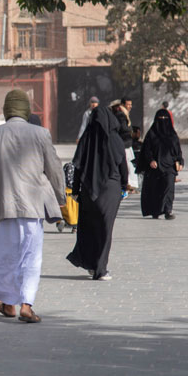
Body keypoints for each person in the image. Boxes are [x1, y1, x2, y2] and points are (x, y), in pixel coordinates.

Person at [0, 90, 65, 323]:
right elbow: (54, 168)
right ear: (26, 110)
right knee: (31, 257)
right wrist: (61, 199)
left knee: (3, 257)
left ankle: (8, 303)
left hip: (4, 208)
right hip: (33, 208)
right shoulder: (41, 133)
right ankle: (27, 304)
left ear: (6, 110)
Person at [67, 104, 130, 280]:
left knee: (90, 227)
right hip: (111, 189)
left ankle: (93, 265)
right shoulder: (115, 139)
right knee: (105, 229)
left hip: (88, 190)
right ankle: (101, 268)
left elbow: (78, 166)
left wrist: (76, 190)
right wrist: (124, 186)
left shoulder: (86, 138)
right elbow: (122, 165)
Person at [139, 109, 185, 220]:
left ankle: (167, 210)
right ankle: (156, 211)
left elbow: (178, 151)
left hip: (169, 166)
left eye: (165, 119)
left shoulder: (172, 135)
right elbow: (147, 149)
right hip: (155, 167)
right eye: (160, 119)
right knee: (156, 190)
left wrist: (180, 161)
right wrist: (150, 160)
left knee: (168, 188)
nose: (163, 121)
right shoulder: (151, 134)